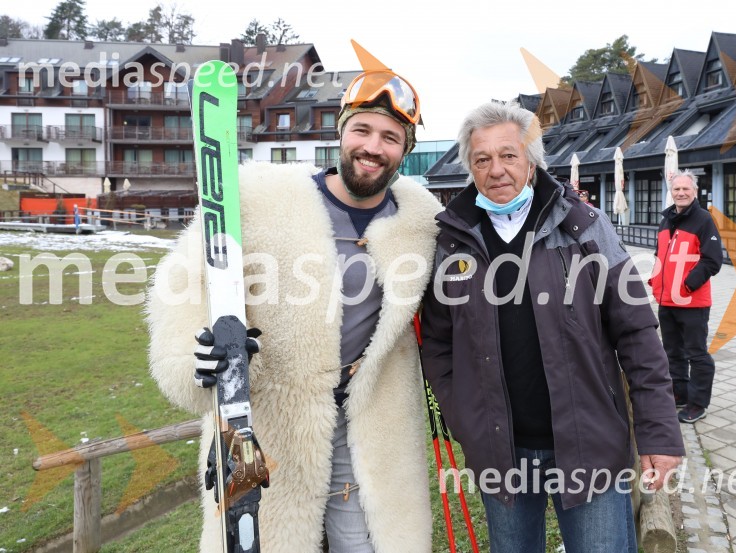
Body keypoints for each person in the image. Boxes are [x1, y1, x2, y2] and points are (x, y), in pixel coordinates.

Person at [146, 69, 441, 553]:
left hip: (369, 422)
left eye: (390, 138)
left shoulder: (419, 220)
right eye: (362, 130)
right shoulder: (264, 199)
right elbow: (183, 284)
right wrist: (194, 359)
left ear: (404, 150)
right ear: (341, 132)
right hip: (271, 423)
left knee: (365, 544)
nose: (373, 147)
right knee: (276, 538)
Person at [419, 101, 685, 553]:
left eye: (508, 155)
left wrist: (658, 432)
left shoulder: (585, 227)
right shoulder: (452, 241)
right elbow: (439, 344)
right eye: (482, 159)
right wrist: (464, 417)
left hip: (590, 445)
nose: (496, 170)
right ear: (470, 168)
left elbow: (637, 333)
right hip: (501, 452)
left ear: (532, 161)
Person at [650, 170, 723, 424]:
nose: (681, 193)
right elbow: (659, 255)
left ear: (694, 191)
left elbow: (713, 260)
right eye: (676, 189)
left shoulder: (703, 220)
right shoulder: (666, 220)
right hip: (666, 300)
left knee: (697, 354)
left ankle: (698, 403)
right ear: (671, 192)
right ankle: (679, 393)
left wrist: (687, 285)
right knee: (672, 352)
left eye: (685, 189)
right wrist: (655, 280)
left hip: (692, 302)